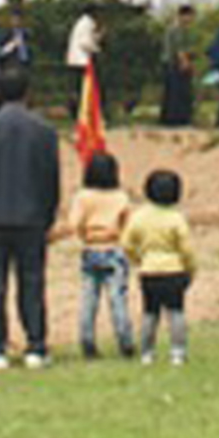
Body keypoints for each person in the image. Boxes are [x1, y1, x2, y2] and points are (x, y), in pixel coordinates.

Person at [0, 65, 62, 369]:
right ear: (27, 92)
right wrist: (47, 217)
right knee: (32, 283)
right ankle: (36, 345)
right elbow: (51, 180)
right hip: (32, 216)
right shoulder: (45, 130)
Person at [55, 150, 138, 358]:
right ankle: (125, 341)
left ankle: (87, 342)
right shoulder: (121, 197)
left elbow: (74, 224)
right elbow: (128, 226)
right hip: (114, 249)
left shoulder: (83, 197)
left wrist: (82, 236)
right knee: (117, 299)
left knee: (88, 300)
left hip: (91, 249)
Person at [124, 167, 198, 366]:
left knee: (150, 312)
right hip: (174, 270)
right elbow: (187, 248)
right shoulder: (176, 218)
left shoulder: (139, 217)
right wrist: (190, 268)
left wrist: (137, 260)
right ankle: (178, 352)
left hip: (149, 271)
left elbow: (127, 243)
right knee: (176, 312)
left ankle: (147, 352)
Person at [158, 4, 196, 127]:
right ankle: (176, 119)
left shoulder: (178, 29)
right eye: (189, 16)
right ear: (182, 16)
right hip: (174, 63)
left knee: (173, 92)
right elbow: (179, 49)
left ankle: (172, 118)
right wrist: (185, 63)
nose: (190, 19)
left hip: (172, 62)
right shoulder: (177, 29)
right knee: (177, 93)